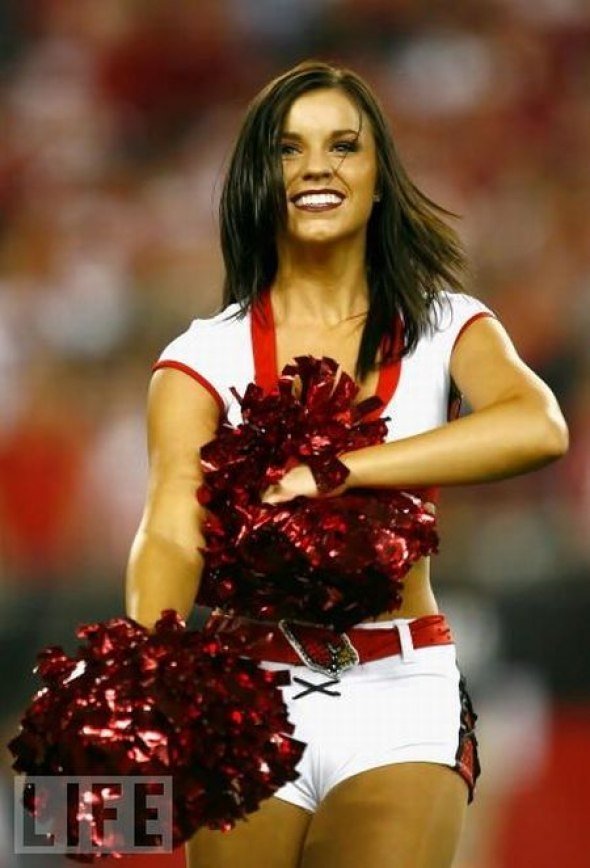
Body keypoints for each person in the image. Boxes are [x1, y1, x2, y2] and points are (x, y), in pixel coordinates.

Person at [125, 60, 568, 868]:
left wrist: (343, 470)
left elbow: (537, 426)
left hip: (402, 683)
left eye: (343, 145)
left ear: (378, 177)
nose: (317, 167)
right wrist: (150, 657)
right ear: (259, 180)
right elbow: (170, 525)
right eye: (289, 149)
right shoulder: (202, 355)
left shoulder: (447, 324)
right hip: (247, 684)